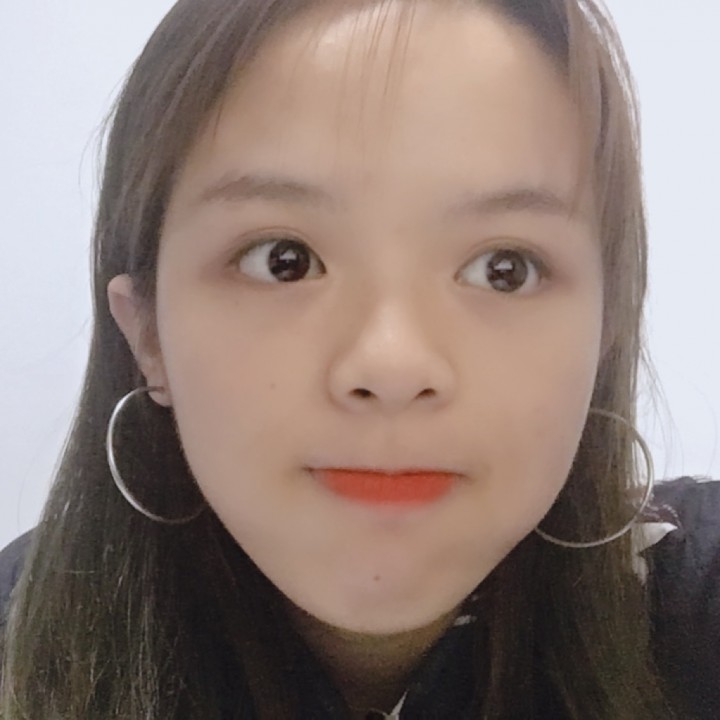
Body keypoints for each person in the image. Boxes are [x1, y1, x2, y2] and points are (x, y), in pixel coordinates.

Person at [0, 0, 718, 717]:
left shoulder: (696, 615)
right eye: (283, 261)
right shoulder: (20, 642)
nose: (391, 367)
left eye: (505, 268)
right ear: (147, 334)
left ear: (606, 329)